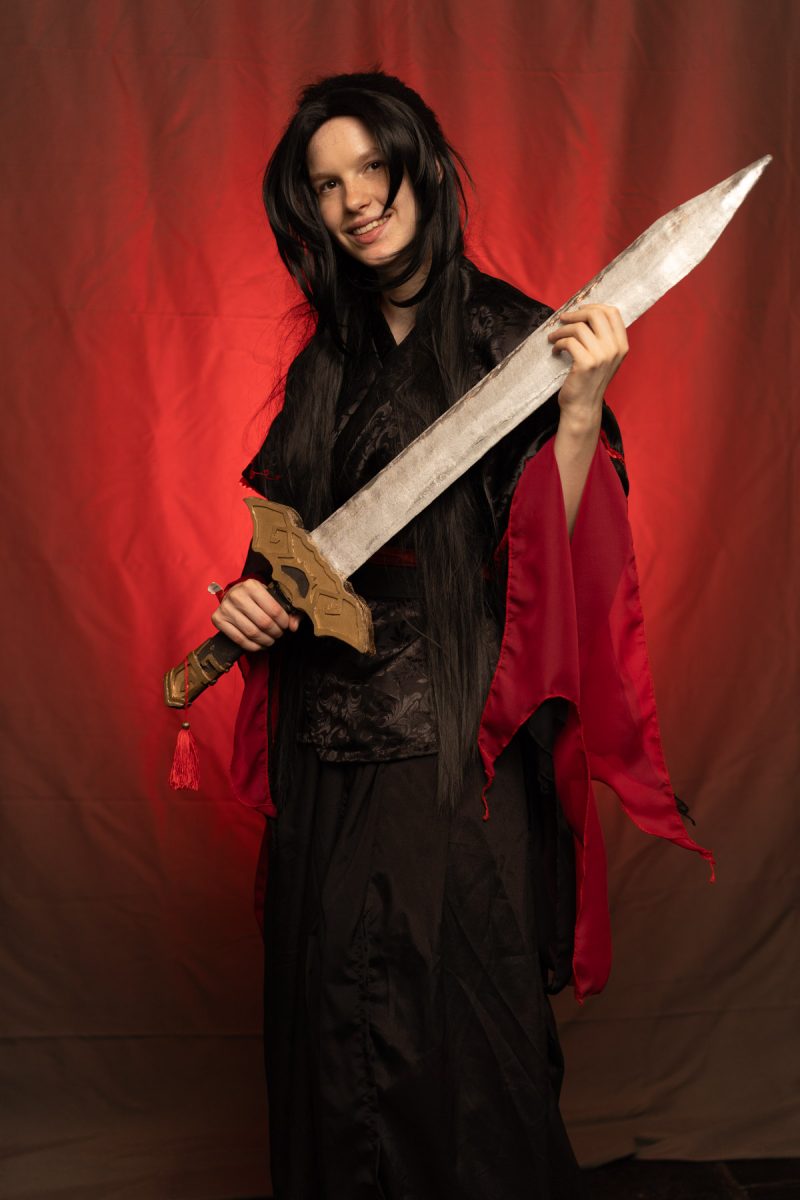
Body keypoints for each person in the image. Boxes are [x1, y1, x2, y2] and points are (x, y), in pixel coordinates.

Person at [209, 71, 709, 1200]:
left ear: (422, 166)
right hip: (322, 737)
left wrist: (578, 409)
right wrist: (247, 602)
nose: (354, 201)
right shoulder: (324, 362)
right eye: (325, 185)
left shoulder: (519, 339)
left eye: (372, 169)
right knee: (327, 1015)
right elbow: (283, 549)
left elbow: (557, 559)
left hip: (457, 732)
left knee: (458, 1034)